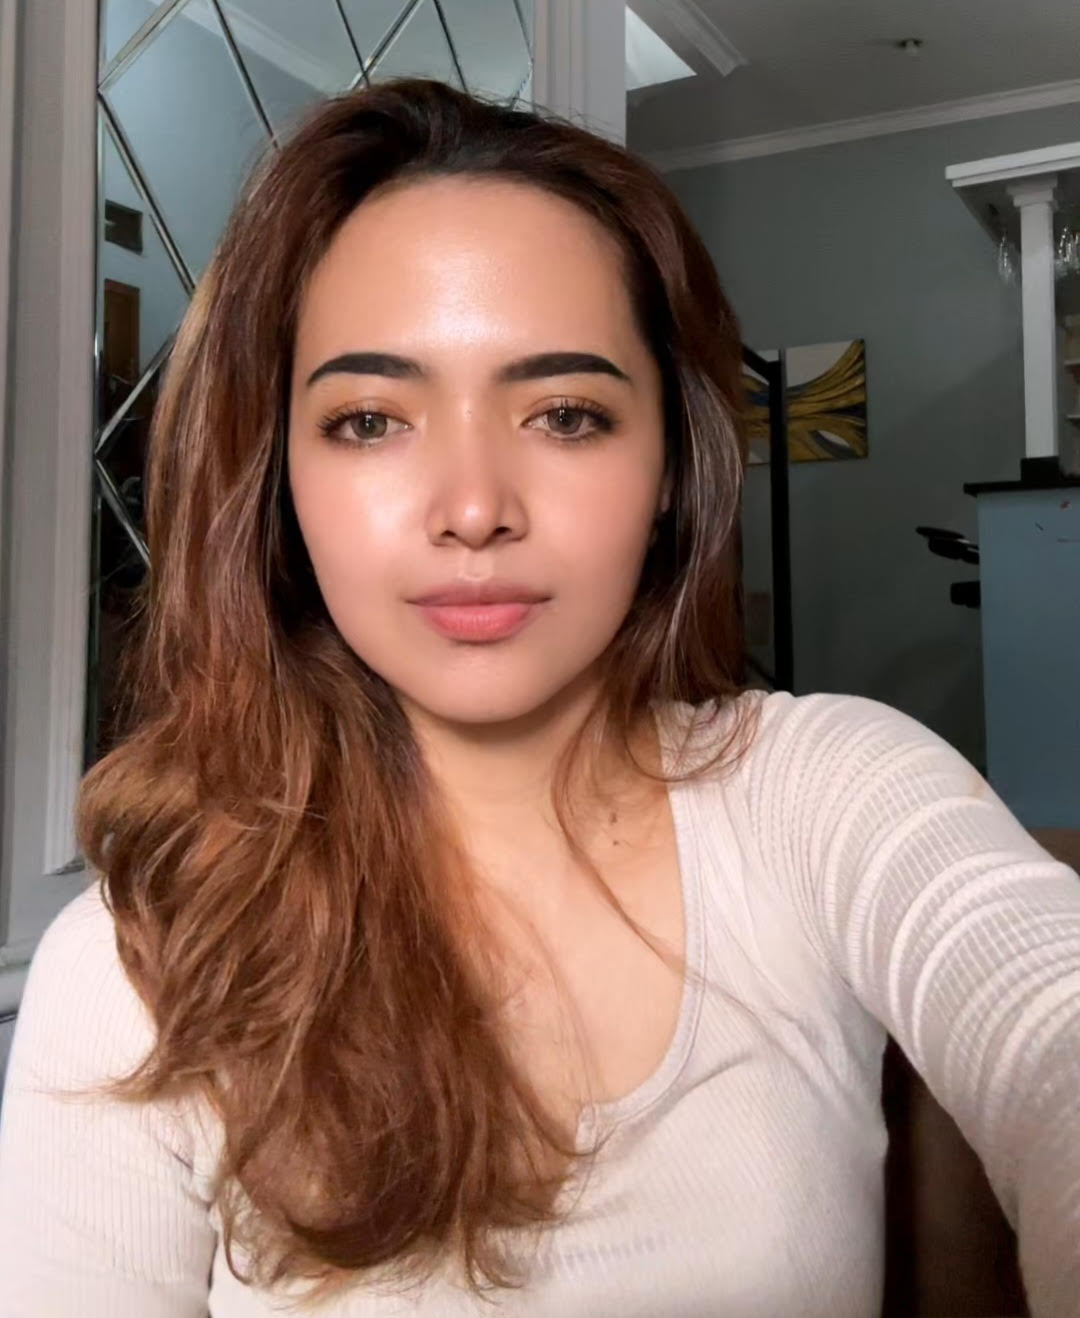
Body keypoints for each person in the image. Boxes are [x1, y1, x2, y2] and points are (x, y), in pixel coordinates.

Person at [0, 77, 1077, 1318]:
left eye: (565, 414)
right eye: (370, 420)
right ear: (278, 475)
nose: (474, 508)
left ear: (671, 465)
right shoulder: (141, 967)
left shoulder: (824, 792)